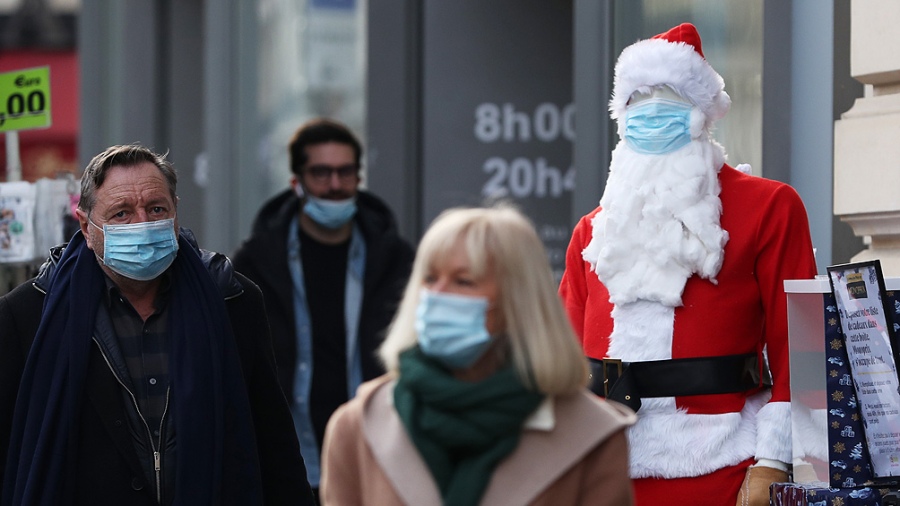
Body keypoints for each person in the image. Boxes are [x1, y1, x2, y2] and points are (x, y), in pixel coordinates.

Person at [558, 22, 819, 506]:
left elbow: (800, 343)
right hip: (603, 473)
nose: (652, 110)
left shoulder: (769, 207)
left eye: (670, 95)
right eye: (638, 99)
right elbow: (558, 358)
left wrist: (774, 461)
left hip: (724, 466)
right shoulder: (591, 232)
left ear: (702, 110)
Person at [0, 144, 314, 505]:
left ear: (175, 211)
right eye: (121, 213)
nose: (143, 224)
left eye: (156, 209)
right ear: (86, 226)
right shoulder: (29, 315)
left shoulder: (231, 301)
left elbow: (274, 442)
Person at [320, 205, 636, 506]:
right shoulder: (358, 427)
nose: (437, 295)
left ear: (517, 302)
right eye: (429, 278)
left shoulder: (591, 435)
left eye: (463, 281)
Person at [231, 117, 415, 499]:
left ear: (359, 177)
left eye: (345, 172)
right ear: (296, 182)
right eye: (321, 173)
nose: (335, 185)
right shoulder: (257, 261)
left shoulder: (395, 259)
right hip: (290, 460)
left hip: (377, 452)